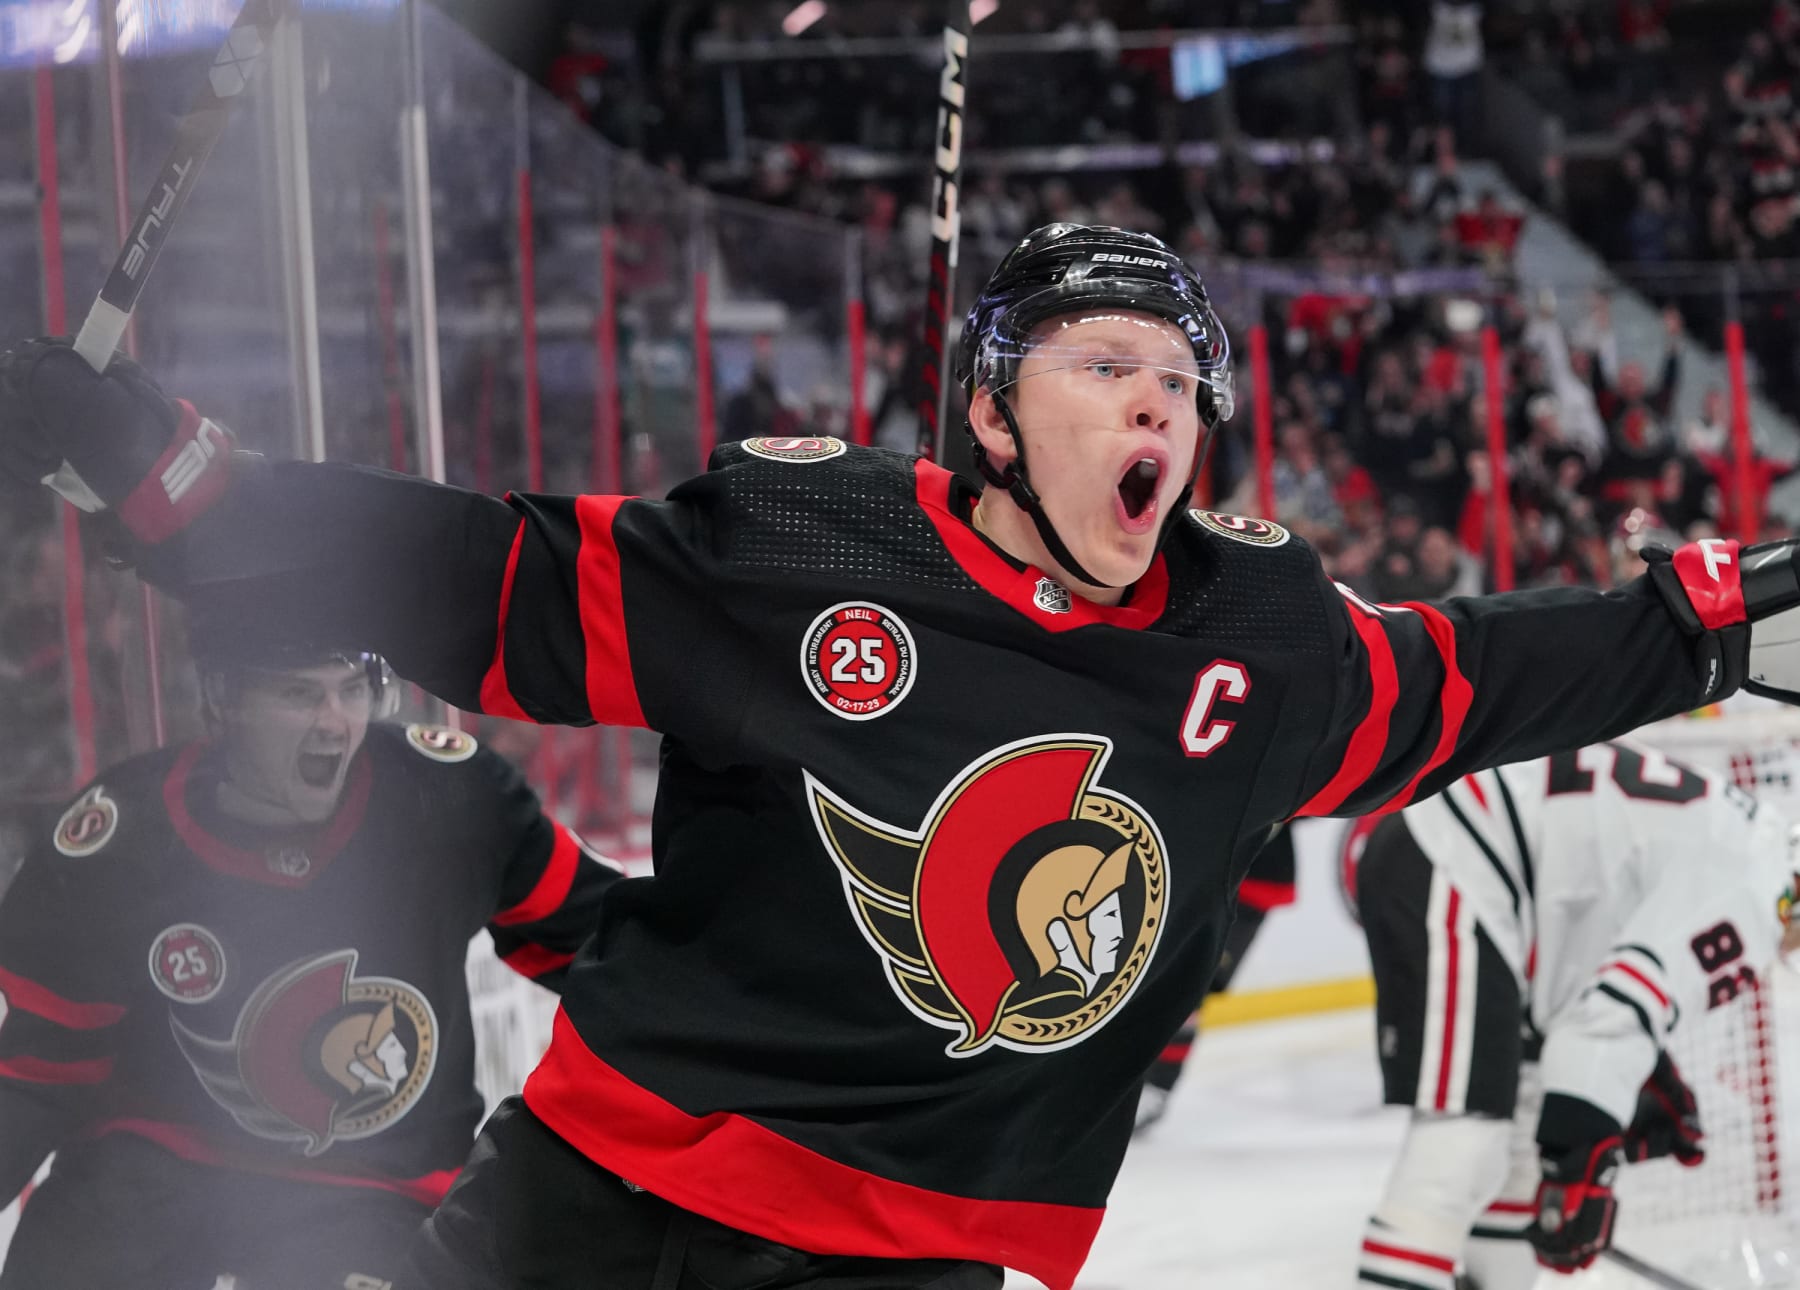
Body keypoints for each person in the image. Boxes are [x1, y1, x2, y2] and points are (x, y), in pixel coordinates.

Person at [7, 221, 1800, 1289]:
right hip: (599, 1182)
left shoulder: (1256, 643)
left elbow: (1483, 676)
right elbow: (488, 577)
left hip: (903, 1251)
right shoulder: (804, 553)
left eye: (1184, 377)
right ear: (998, 408)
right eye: (1107, 365)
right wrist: (187, 483)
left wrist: (1717, 621)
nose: (1158, 402)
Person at [0, 627, 619, 1289]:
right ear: (224, 698)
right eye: (300, 695)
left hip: (378, 1185)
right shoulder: (125, 837)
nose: (335, 723)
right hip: (150, 1171)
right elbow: (42, 1073)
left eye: (353, 691)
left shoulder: (448, 797)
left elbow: (609, 945)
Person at [1351, 741, 1796, 1288]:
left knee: (1520, 1157)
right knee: (1463, 1141)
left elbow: (1611, 982)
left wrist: (1622, 1083)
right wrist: (1584, 1150)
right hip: (1453, 850)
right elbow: (1612, 1019)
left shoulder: (1752, 839)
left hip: (1487, 867)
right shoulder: (1761, 894)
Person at [1135, 823, 1296, 1134]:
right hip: (1197, 873)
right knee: (1160, 983)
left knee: (1187, 990)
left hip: (1250, 879)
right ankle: (1139, 1085)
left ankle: (1157, 1089)